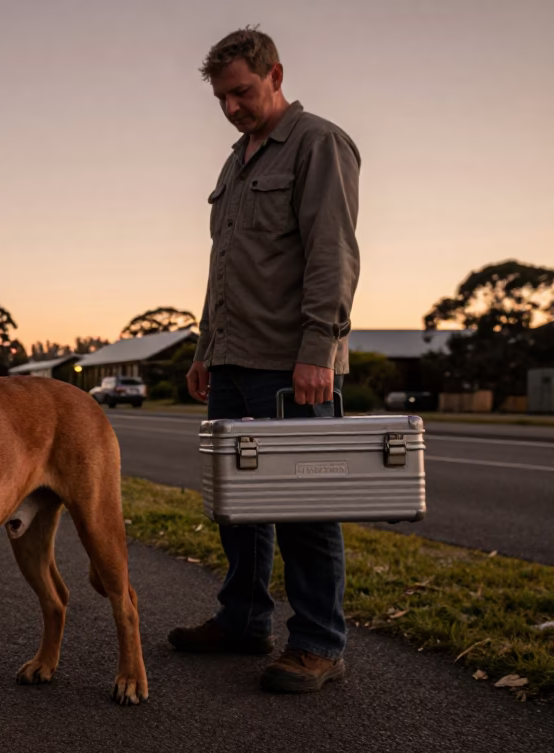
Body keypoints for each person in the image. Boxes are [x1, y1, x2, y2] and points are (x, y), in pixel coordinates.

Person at [170, 26, 361, 693]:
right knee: (238, 505)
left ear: (275, 74)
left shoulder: (318, 144)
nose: (232, 107)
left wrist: (317, 351)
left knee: (305, 504)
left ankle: (318, 643)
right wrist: (204, 348)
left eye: (242, 93)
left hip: (291, 363)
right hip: (232, 360)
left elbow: (332, 256)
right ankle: (244, 620)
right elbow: (224, 264)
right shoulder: (235, 162)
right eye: (221, 97)